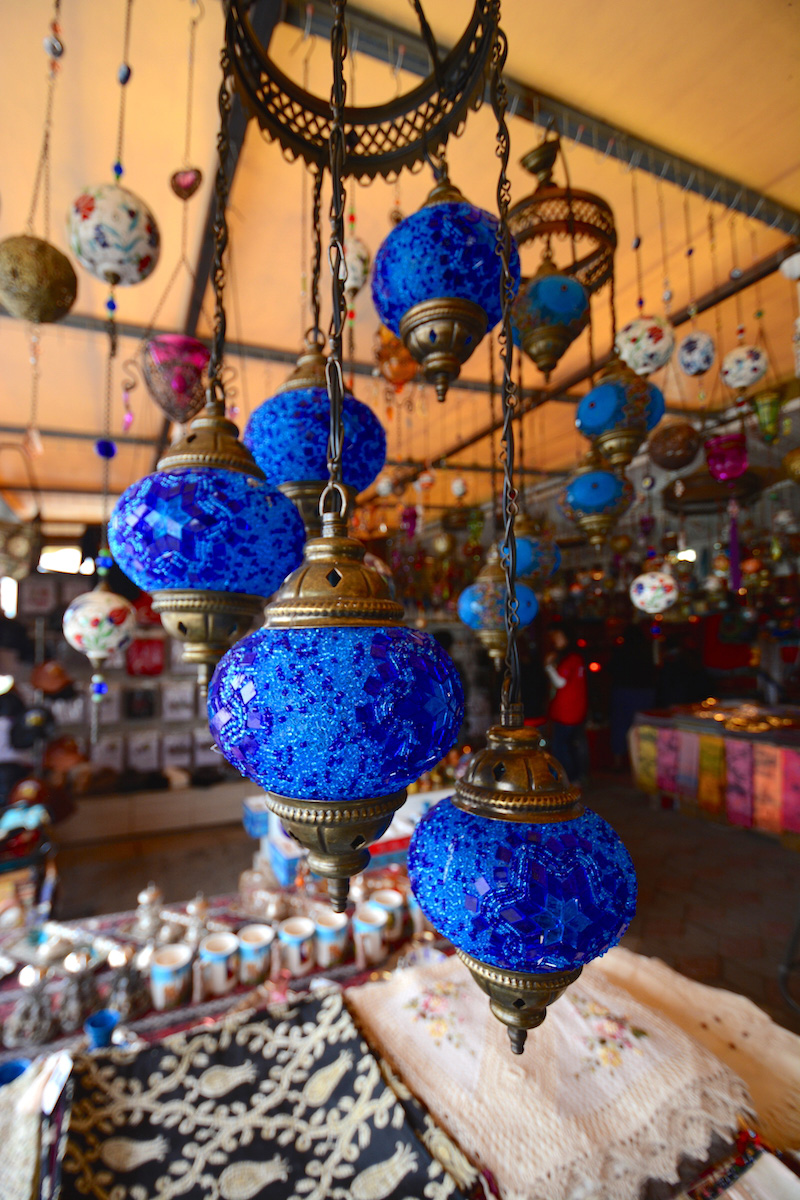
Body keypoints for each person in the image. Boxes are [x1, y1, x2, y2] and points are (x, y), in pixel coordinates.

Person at [544, 628, 589, 783]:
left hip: (567, 711)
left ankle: (569, 777)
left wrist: (549, 667)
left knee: (561, 747)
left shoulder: (570, 659)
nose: (555, 641)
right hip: (574, 709)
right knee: (573, 745)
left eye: (558, 637)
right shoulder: (577, 658)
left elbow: (560, 682)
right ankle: (577, 776)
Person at [609, 623, 656, 770]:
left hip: (624, 691)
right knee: (642, 727)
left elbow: (611, 669)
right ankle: (641, 763)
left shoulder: (621, 651)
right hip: (645, 692)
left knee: (621, 726)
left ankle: (619, 761)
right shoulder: (648, 650)